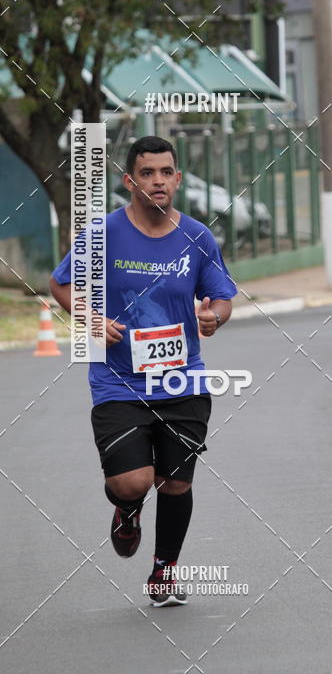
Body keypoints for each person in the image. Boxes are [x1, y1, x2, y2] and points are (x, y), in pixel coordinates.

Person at [49, 136, 237, 606]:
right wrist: (90, 318)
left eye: (166, 172)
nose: (158, 181)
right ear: (129, 180)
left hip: (183, 377)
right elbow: (61, 284)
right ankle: (127, 511)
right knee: (133, 481)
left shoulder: (197, 235)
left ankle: (164, 572)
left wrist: (215, 316)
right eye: (147, 173)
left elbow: (222, 297)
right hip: (118, 380)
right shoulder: (103, 233)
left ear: (177, 178)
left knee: (176, 480)